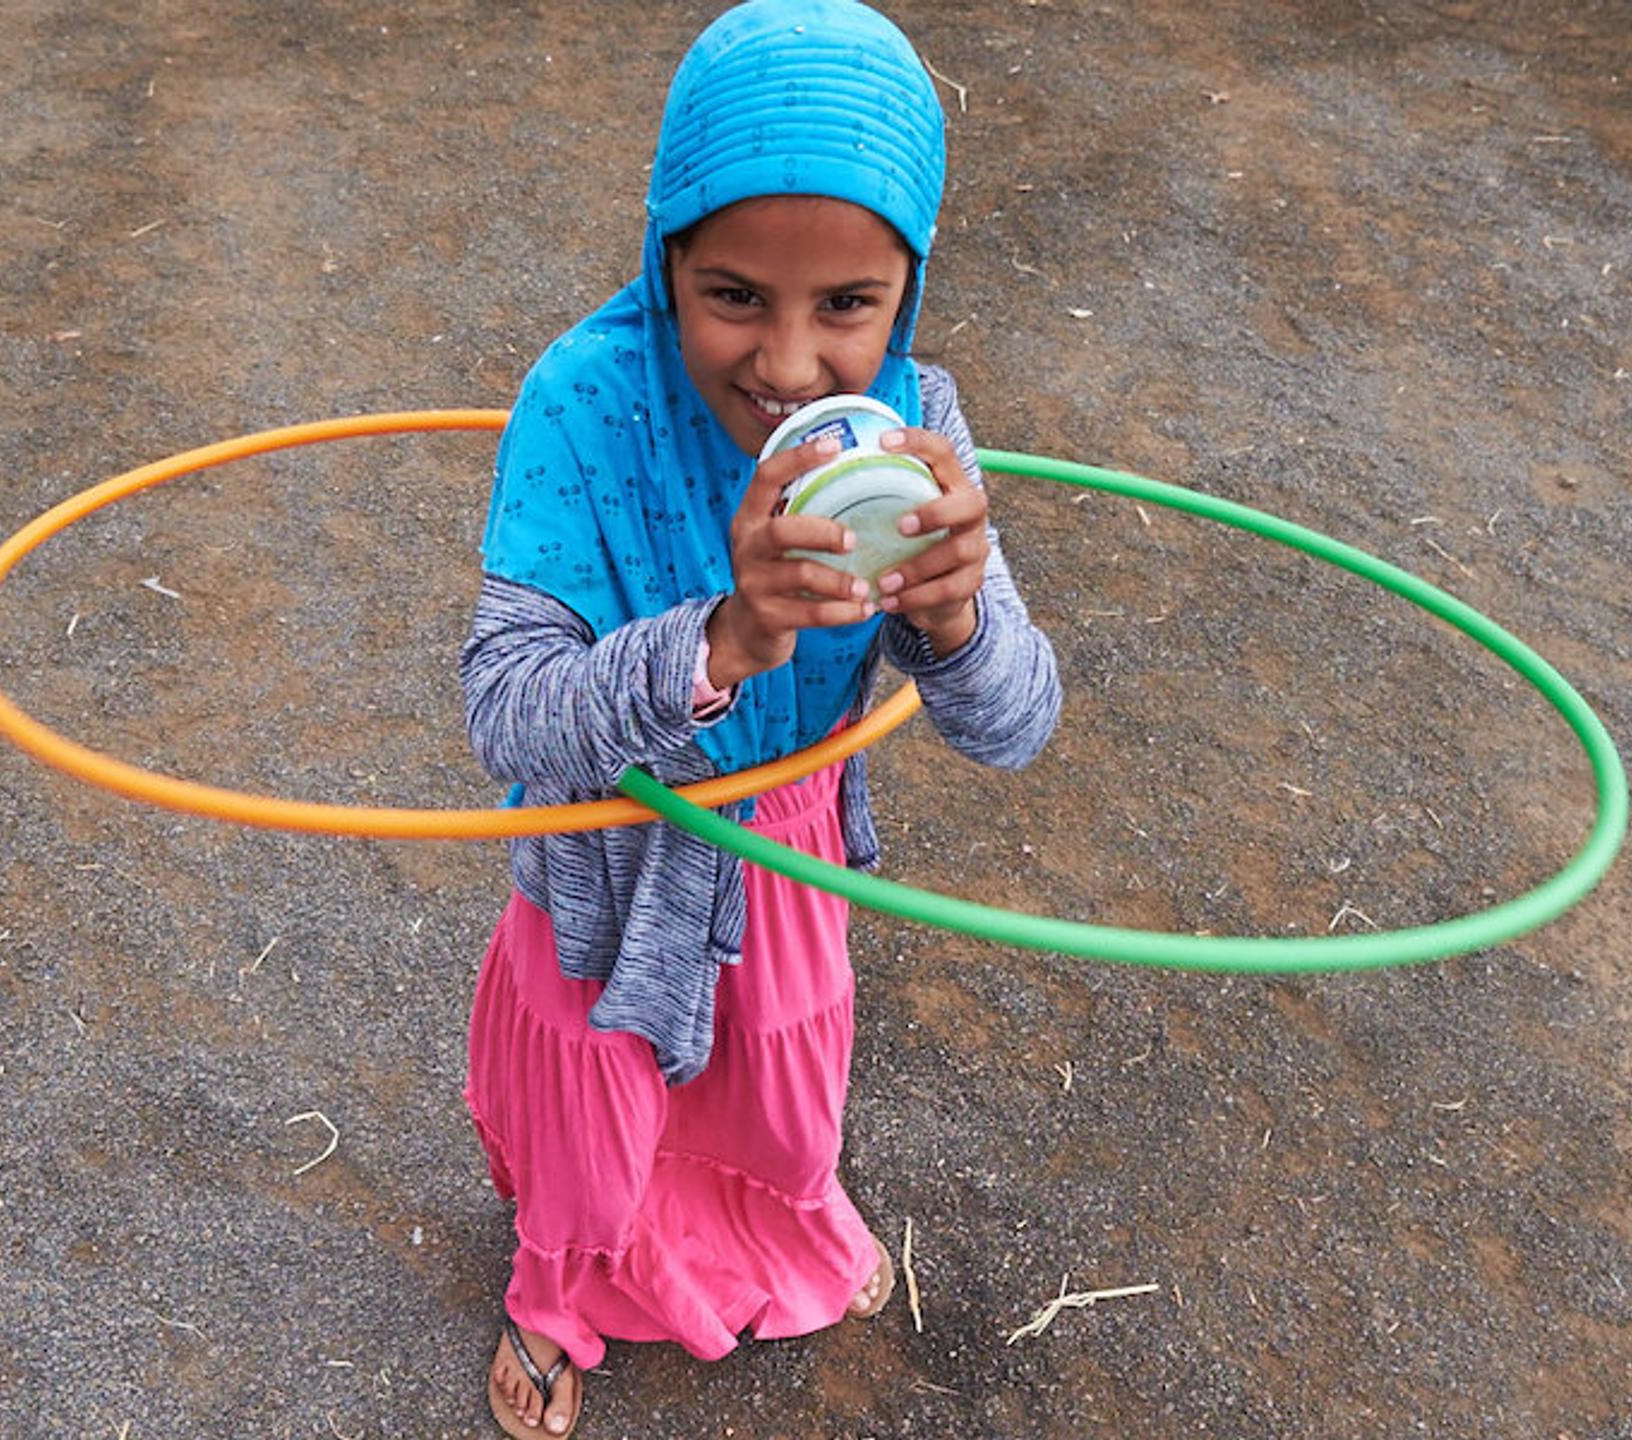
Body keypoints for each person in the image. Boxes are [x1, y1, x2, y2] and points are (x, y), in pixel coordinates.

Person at [457, 3, 1062, 1433]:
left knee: (781, 1098)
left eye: (846, 304)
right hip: (611, 856)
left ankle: (784, 1230)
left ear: (907, 290)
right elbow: (508, 718)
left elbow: (1014, 727)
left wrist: (955, 617)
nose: (790, 365)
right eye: (733, 294)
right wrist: (724, 636)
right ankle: (555, 1299)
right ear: (663, 254)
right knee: (593, 1121)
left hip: (788, 847)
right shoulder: (583, 405)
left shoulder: (915, 429)